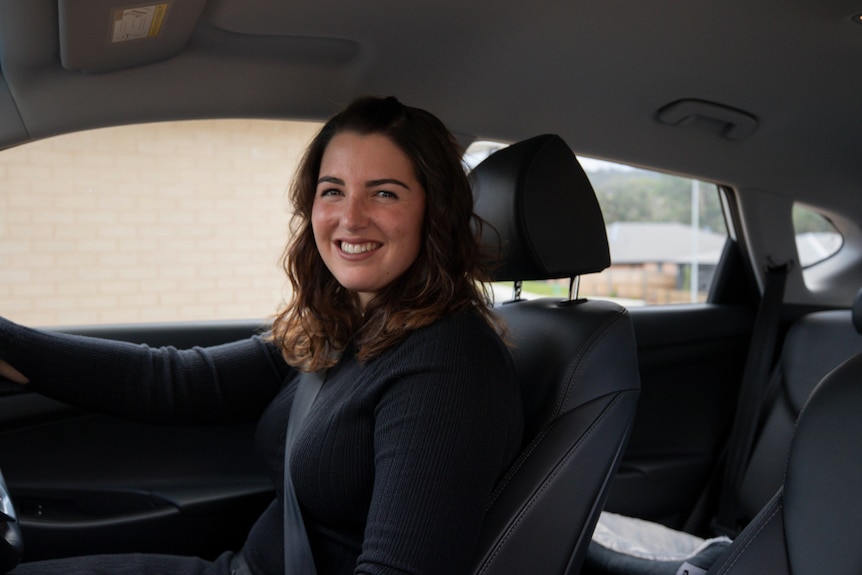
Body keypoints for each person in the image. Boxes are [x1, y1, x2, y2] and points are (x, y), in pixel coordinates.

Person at [0, 96, 524, 575]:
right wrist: (10, 342)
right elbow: (179, 381)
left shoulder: (450, 364)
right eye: (332, 191)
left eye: (384, 193)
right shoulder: (346, 324)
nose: (350, 217)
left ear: (436, 212)